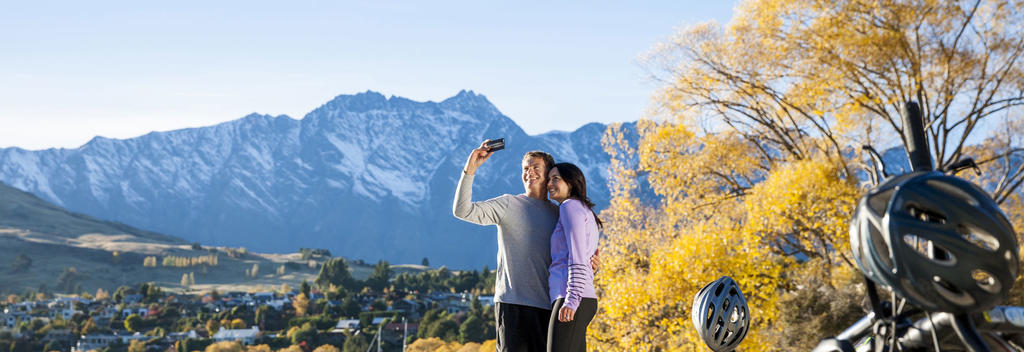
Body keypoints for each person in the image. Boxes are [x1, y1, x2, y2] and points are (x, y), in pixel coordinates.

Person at [453, 141, 560, 352]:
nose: (529, 172)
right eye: (525, 168)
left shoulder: (560, 214)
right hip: (512, 305)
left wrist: (593, 265)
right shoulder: (508, 204)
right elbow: (462, 210)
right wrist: (470, 169)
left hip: (549, 307)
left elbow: (572, 258)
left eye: (535, 167)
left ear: (548, 174)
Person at [545, 162, 601, 352]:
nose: (549, 184)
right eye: (549, 179)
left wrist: (571, 300)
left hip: (572, 296)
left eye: (556, 179)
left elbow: (577, 257)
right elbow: (586, 257)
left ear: (571, 182)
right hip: (581, 297)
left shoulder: (569, 207)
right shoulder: (583, 210)